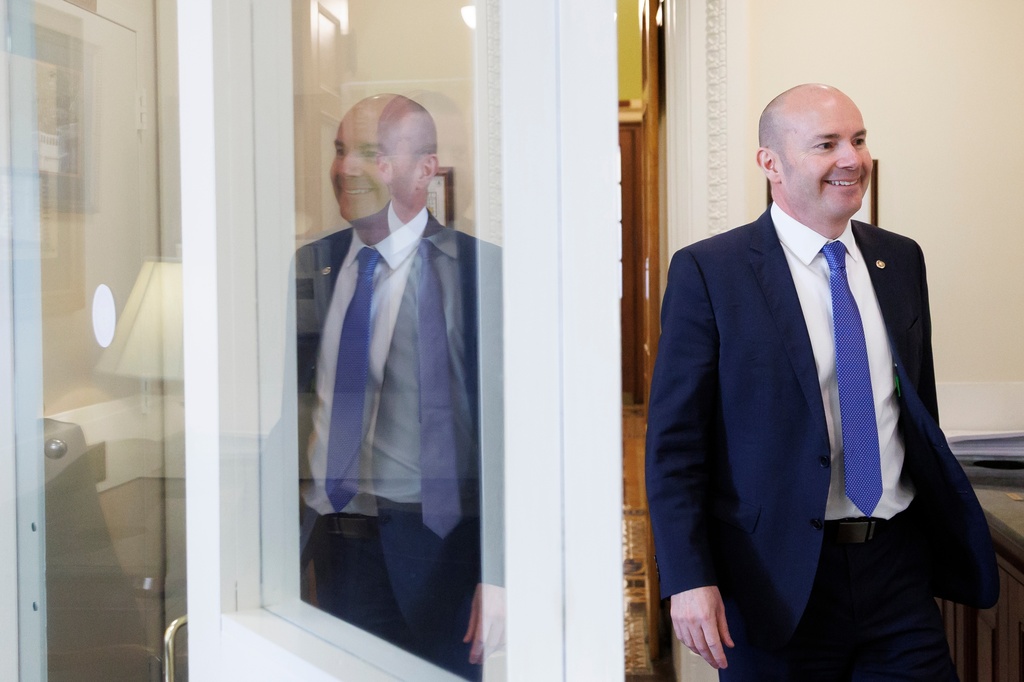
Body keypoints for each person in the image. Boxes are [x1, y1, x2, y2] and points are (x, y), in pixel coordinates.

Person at [645, 83, 998, 679]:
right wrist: (687, 577)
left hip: (896, 570)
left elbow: (916, 407)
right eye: (826, 144)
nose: (851, 159)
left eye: (858, 140)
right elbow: (676, 445)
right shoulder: (711, 271)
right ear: (770, 163)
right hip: (775, 579)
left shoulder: (901, 259)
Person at [296, 95, 504, 680]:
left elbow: (513, 434)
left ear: (424, 171)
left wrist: (503, 569)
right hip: (334, 550)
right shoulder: (310, 267)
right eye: (341, 151)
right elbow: (282, 414)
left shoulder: (481, 275)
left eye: (374, 155)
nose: (347, 170)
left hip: (444, 553)